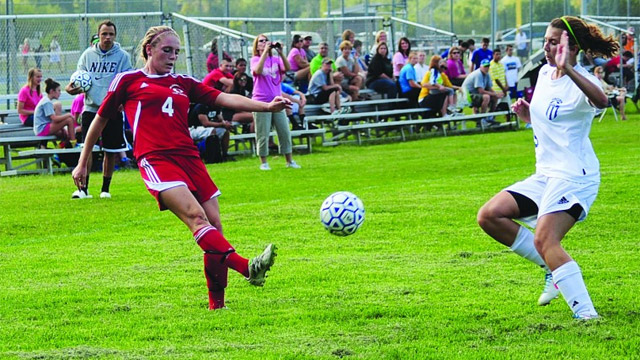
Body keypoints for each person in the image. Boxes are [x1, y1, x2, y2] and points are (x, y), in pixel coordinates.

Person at [72, 26, 285, 310]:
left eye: (176, 52)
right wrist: (82, 162)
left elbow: (223, 99)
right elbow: (99, 120)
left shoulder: (183, 81)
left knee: (215, 228)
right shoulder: (129, 80)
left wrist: (265, 107)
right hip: (155, 158)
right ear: (149, 49)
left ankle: (217, 306)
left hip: (189, 158)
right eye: (166, 50)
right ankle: (248, 268)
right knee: (197, 218)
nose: (172, 57)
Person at [477, 16, 617, 320]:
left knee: (545, 239)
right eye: (546, 40)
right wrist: (529, 116)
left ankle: (587, 316)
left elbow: (602, 101)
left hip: (574, 176)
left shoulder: (580, 77)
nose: (547, 46)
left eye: (554, 42)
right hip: (547, 173)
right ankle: (550, 267)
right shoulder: (543, 73)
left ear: (572, 47)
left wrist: (567, 67)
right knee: (490, 215)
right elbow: (551, 121)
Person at [66, 20, 133, 200]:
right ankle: (83, 189)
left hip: (112, 108)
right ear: (98, 35)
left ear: (115, 36)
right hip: (91, 108)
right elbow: (78, 79)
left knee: (110, 151)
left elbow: (128, 82)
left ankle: (105, 189)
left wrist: (122, 101)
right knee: (87, 149)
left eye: (111, 34)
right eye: (104, 34)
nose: (108, 37)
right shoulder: (88, 55)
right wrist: (71, 89)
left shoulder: (122, 57)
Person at [251, 34, 301, 171]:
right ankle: (264, 162)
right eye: (261, 41)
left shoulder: (275, 59)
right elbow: (258, 70)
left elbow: (287, 67)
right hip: (261, 101)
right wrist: (265, 53)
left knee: (284, 130)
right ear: (257, 46)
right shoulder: (255, 59)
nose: (265, 42)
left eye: (266, 40)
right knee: (263, 132)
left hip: (277, 100)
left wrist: (280, 52)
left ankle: (289, 160)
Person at [461, 59, 503, 126]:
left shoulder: (487, 74)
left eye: (488, 66)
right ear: (481, 67)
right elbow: (481, 91)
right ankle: (482, 119)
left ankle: (490, 117)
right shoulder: (478, 74)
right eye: (485, 66)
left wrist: (496, 94)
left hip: (475, 94)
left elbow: (489, 88)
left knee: (495, 97)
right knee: (486, 97)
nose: (487, 68)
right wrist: (494, 94)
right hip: (467, 96)